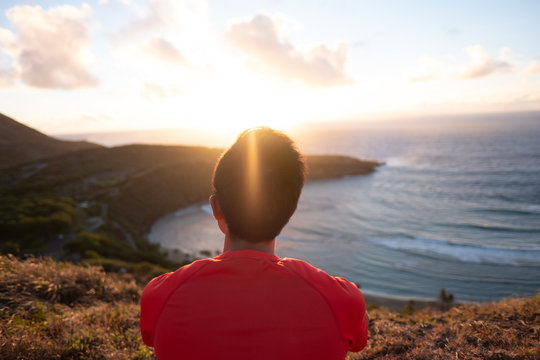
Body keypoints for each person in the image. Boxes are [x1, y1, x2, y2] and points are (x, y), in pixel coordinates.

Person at [140, 127, 368, 359]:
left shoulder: (159, 295)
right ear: (290, 211)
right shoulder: (342, 299)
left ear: (216, 207)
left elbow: (149, 338)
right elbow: (358, 342)